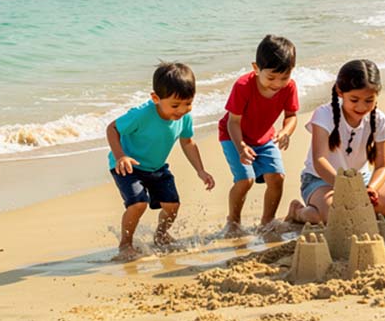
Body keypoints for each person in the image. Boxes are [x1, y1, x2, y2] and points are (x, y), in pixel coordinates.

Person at [107, 62, 215, 259]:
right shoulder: (141, 115)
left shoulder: (184, 117)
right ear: (156, 98)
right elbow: (112, 128)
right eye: (175, 105)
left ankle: (161, 234)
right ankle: (125, 244)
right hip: (128, 165)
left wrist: (201, 170)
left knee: (172, 205)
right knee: (138, 204)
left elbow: (188, 142)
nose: (182, 110)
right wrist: (120, 156)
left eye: (188, 103)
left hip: (156, 167)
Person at [285, 60, 385, 225]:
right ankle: (299, 212)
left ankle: (354, 210)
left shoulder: (380, 121)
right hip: (321, 181)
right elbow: (319, 160)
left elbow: (382, 166)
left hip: (361, 181)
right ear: (340, 92)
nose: (361, 106)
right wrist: (344, 186)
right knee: (336, 216)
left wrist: (371, 189)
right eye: (354, 100)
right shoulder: (324, 114)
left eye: (369, 100)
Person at [218, 36, 299, 236]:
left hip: (264, 137)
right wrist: (241, 148)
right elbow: (232, 122)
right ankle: (233, 222)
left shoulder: (289, 87)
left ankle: (267, 221)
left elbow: (291, 116)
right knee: (246, 180)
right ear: (256, 68)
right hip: (233, 136)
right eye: (271, 77)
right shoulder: (243, 86)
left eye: (284, 77)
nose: (277, 83)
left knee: (277, 177)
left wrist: (285, 132)